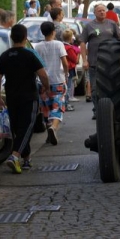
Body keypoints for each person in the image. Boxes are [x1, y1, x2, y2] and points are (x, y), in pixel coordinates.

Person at [0, 24, 50, 173]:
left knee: (18, 128)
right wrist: (46, 88)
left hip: (11, 97)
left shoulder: (5, 56)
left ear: (11, 37)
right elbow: (42, 74)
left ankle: (26, 159)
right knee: (27, 127)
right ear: (25, 37)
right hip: (29, 96)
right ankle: (15, 156)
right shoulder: (29, 54)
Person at [79, 3, 120, 120]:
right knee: (95, 90)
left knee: (110, 88)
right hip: (94, 62)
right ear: (95, 13)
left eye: (103, 10)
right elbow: (82, 42)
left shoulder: (112, 24)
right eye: (99, 11)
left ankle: (110, 111)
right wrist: (84, 60)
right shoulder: (89, 26)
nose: (102, 12)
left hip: (111, 63)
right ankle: (97, 110)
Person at [35, 21, 69, 146]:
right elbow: (64, 62)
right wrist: (66, 74)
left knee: (46, 107)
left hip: (42, 82)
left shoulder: (37, 47)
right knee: (58, 106)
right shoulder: (58, 44)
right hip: (57, 80)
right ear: (54, 31)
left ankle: (49, 131)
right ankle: (53, 127)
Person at [62, 29, 80, 110]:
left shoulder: (62, 46)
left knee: (65, 86)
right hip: (69, 68)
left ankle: (64, 103)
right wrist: (78, 53)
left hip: (64, 69)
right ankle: (66, 104)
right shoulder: (69, 48)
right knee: (68, 86)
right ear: (70, 38)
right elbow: (75, 60)